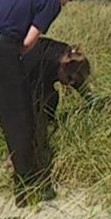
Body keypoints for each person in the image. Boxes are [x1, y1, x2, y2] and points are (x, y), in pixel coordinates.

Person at [0, 0, 84, 205]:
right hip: (3, 50)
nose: (65, 5)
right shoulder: (50, 0)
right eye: (69, 1)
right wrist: (9, 56)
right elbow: (29, 41)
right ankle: (26, 190)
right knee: (19, 120)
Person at [20, 38, 91, 181]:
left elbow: (77, 82)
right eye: (70, 79)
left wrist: (92, 101)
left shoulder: (65, 56)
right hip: (15, 80)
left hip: (32, 79)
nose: (70, 84)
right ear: (63, 67)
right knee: (47, 99)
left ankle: (47, 125)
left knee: (50, 97)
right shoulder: (40, 62)